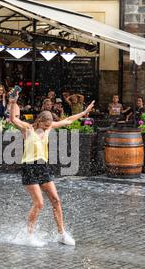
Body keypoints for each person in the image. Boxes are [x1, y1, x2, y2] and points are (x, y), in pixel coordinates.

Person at [9, 93, 95, 246]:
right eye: (46, 124)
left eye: (50, 125)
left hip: (43, 167)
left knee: (56, 200)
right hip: (29, 168)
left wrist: (84, 112)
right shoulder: (28, 129)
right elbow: (13, 119)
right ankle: (29, 236)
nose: (49, 127)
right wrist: (13, 102)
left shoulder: (48, 128)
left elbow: (67, 121)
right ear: (40, 120)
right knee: (39, 203)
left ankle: (62, 234)